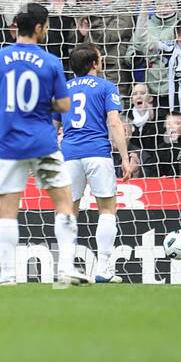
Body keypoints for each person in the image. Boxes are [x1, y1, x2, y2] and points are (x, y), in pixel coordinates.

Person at [0, 3, 78, 287]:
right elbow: (63, 104)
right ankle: (66, 270)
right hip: (43, 142)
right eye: (45, 26)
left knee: (8, 209)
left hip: (8, 144)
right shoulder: (50, 61)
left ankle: (8, 275)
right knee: (63, 204)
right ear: (38, 28)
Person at [61, 46, 134, 284]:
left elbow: (52, 126)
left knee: (69, 211)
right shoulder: (105, 87)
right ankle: (103, 269)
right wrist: (124, 157)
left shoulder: (62, 90)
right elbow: (114, 123)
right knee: (106, 208)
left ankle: (66, 268)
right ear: (94, 63)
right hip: (97, 152)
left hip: (69, 154)